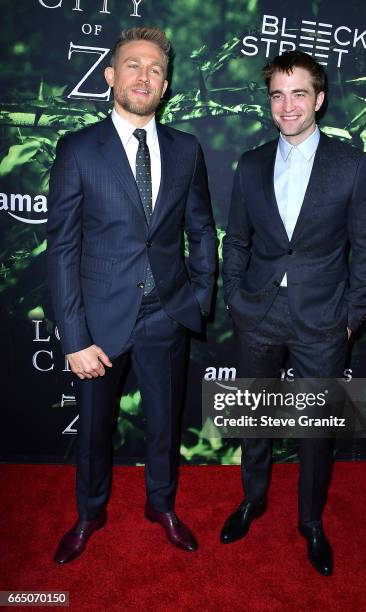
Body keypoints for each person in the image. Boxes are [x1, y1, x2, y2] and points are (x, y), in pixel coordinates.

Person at [47, 26, 216, 563]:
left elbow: (202, 230)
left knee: (165, 424)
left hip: (166, 313)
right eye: (134, 65)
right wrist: (74, 336)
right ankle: (90, 512)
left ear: (165, 86)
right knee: (95, 431)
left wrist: (199, 298)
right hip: (98, 322)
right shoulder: (78, 149)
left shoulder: (187, 150)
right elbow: (62, 250)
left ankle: (160, 504)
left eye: (156, 69)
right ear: (111, 75)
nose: (145, 75)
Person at [221, 51, 366, 576]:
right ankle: (253, 499)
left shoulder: (352, 166)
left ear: (320, 99)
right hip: (259, 312)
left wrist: (352, 316)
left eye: (299, 94)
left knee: (314, 427)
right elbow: (237, 241)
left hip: (323, 317)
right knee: (255, 416)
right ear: (270, 101)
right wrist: (236, 300)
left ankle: (310, 520)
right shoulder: (249, 164)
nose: (287, 106)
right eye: (278, 95)